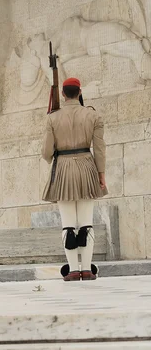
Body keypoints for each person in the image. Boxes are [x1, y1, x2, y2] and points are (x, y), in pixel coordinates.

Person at [42, 77, 108, 281]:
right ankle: (87, 269)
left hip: (63, 169)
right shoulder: (93, 115)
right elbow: (99, 149)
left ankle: (72, 270)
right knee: (86, 223)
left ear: (62, 94)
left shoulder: (52, 118)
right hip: (87, 167)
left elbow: (46, 153)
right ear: (79, 93)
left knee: (68, 224)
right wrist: (101, 175)